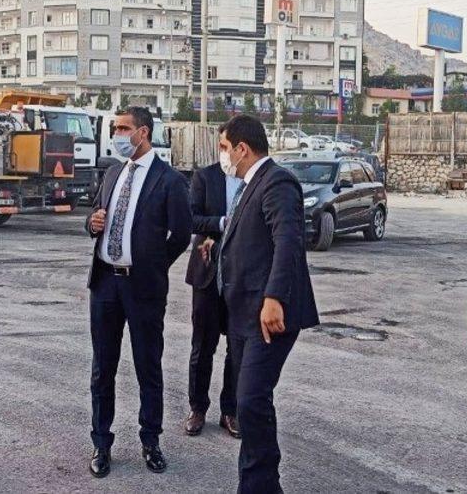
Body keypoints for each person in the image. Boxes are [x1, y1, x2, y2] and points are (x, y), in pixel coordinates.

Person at [84, 107, 193, 478]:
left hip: (143, 286)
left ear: (142, 132)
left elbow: (182, 234)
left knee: (148, 366)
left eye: (122, 128)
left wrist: (153, 265)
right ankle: (101, 443)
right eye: (115, 128)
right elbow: (94, 216)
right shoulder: (113, 173)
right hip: (105, 283)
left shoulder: (169, 180)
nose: (116, 134)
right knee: (103, 368)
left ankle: (151, 441)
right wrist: (92, 223)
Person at [216, 114, 319, 493]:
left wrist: (274, 297)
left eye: (224, 148)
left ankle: (259, 486)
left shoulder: (277, 181)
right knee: (250, 403)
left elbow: (288, 240)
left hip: (267, 315)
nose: (222, 156)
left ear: (242, 148)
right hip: (242, 314)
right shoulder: (249, 185)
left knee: (251, 400)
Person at [183, 122, 243, 439]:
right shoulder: (205, 177)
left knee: (237, 349)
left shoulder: (252, 179)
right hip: (207, 275)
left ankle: (230, 411)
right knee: (202, 347)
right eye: (220, 146)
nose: (222, 152)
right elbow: (190, 219)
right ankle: (197, 408)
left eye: (226, 146)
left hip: (240, 279)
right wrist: (221, 222)